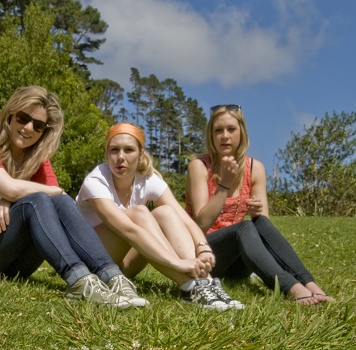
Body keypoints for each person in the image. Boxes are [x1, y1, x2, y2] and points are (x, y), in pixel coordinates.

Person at [0, 86, 148, 308]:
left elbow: (54, 200)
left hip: (15, 262)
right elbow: (12, 188)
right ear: (10, 115)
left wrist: (8, 200)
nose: (28, 128)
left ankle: (112, 276)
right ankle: (79, 281)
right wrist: (15, 195)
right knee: (39, 200)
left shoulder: (36, 157)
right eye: (23, 118)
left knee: (56, 201)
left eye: (38, 125)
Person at [75, 123, 243, 310]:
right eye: (114, 150)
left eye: (128, 150)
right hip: (91, 266)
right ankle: (189, 285)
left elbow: (185, 220)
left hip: (123, 266)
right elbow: (127, 230)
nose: (120, 157)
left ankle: (205, 282)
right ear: (107, 153)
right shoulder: (96, 180)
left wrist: (203, 248)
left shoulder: (148, 179)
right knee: (139, 213)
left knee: (166, 212)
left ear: (140, 154)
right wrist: (177, 263)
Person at [186, 104, 333, 305]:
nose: (225, 136)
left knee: (258, 224)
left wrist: (257, 213)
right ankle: (292, 288)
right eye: (218, 131)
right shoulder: (199, 166)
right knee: (244, 227)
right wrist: (224, 185)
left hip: (239, 264)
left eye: (231, 129)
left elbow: (265, 229)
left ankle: (310, 284)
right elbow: (201, 223)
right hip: (205, 254)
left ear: (242, 132)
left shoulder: (254, 168)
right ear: (211, 136)